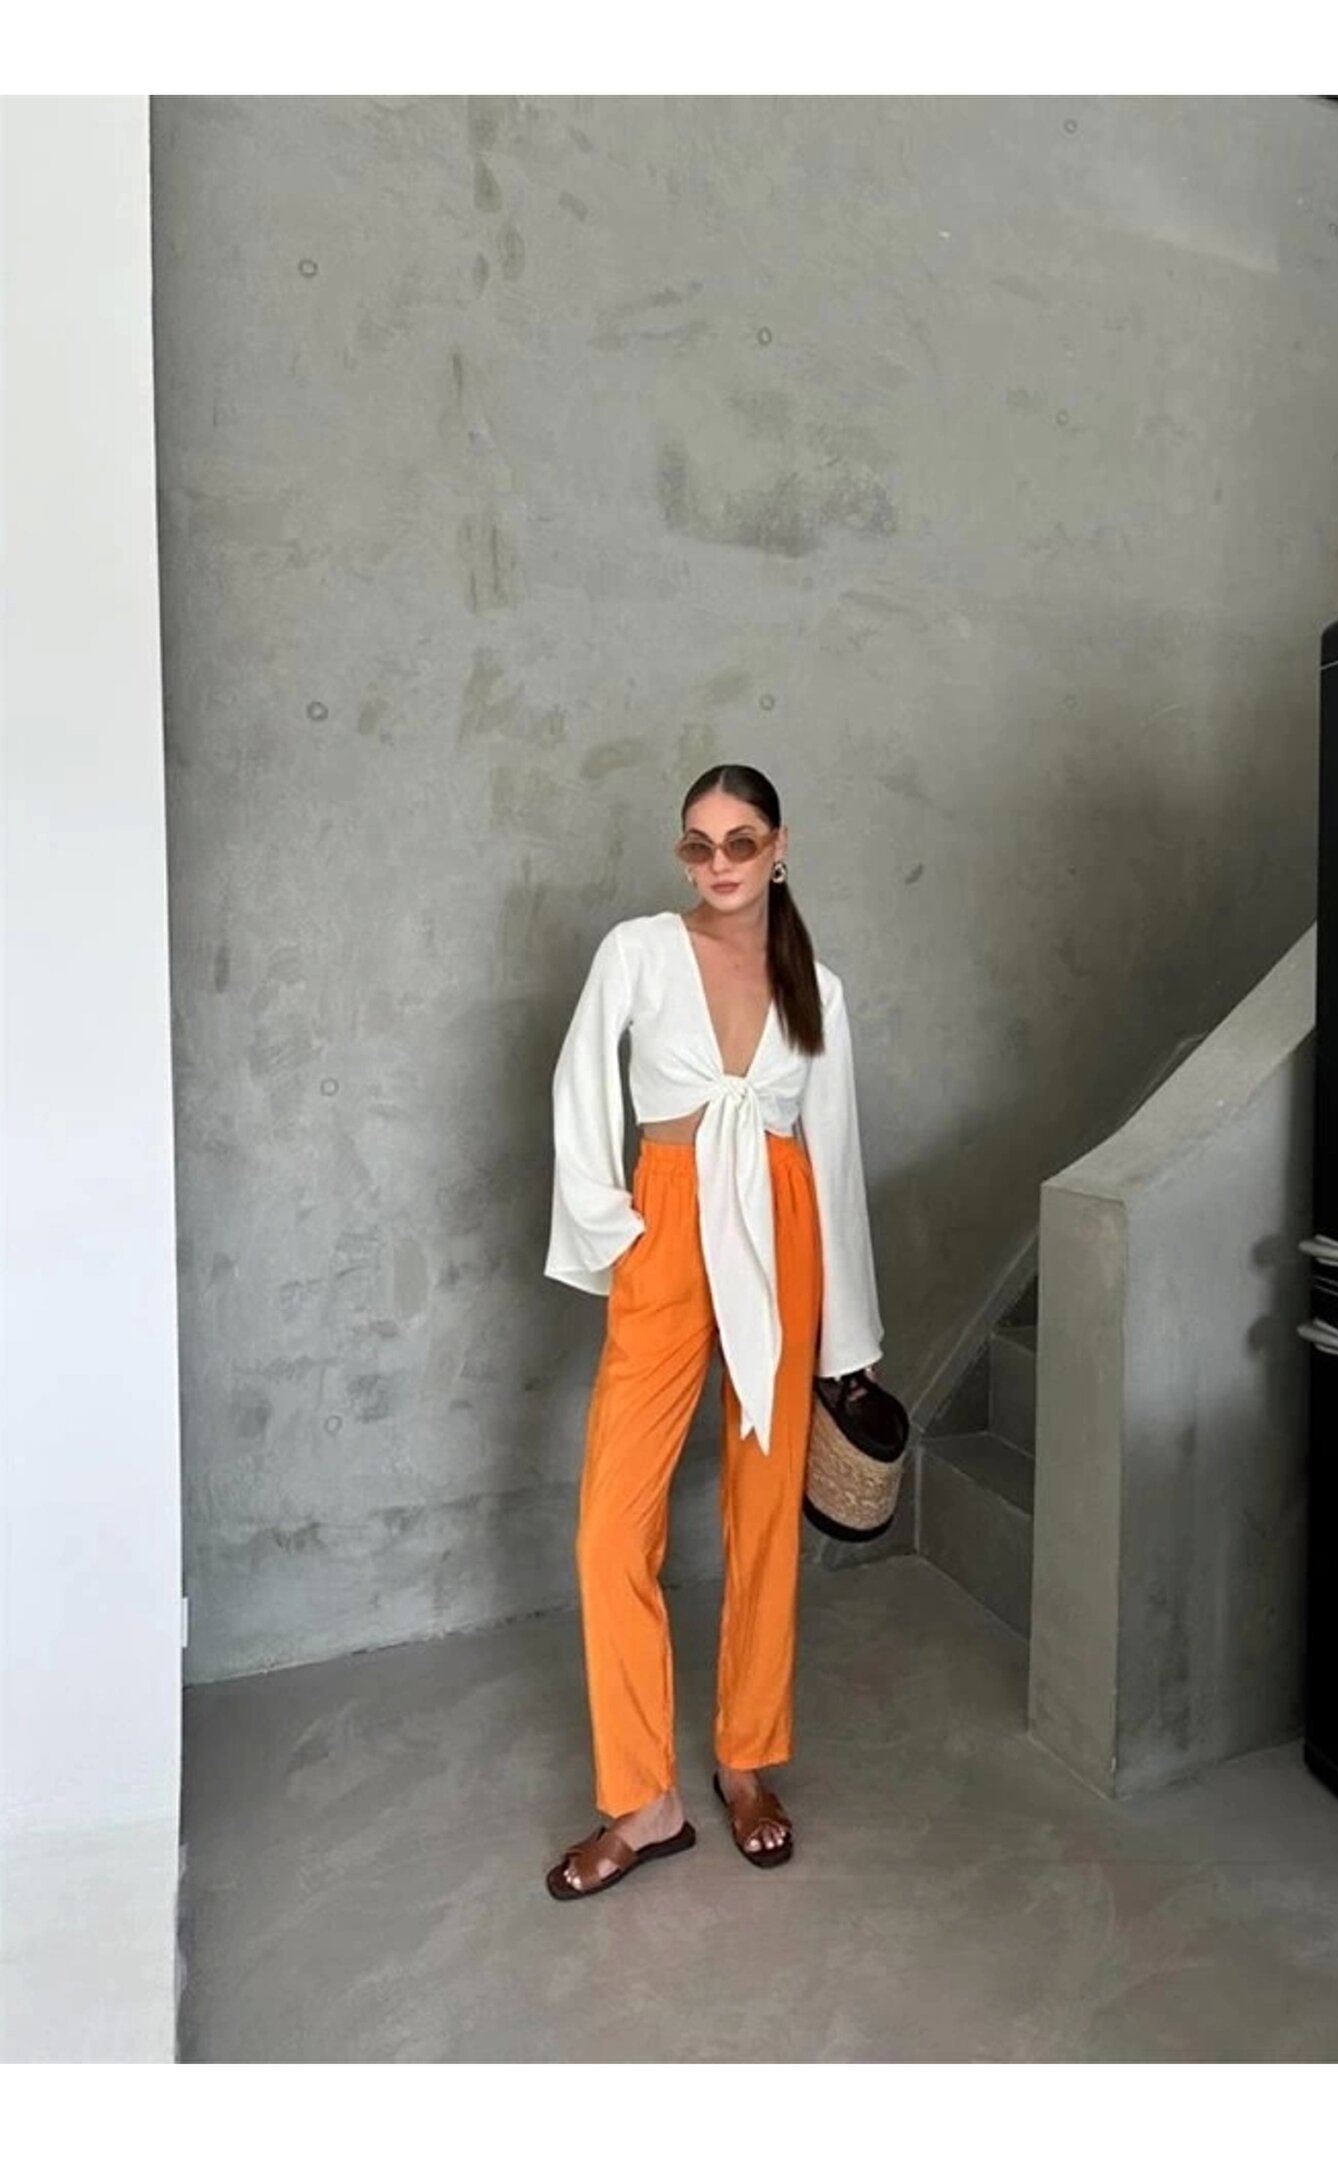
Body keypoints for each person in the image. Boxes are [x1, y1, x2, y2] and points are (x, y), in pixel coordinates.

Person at [542, 763, 884, 1899]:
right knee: (612, 1525)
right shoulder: (638, 951)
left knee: (763, 1509)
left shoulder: (815, 987)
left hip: (781, 1227)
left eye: (741, 841)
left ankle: (746, 1762)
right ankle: (644, 1801)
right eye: (699, 843)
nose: (719, 863)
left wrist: (850, 1336)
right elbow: (578, 1082)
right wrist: (615, 1227)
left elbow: (833, 1152)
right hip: (669, 1218)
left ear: (780, 846)